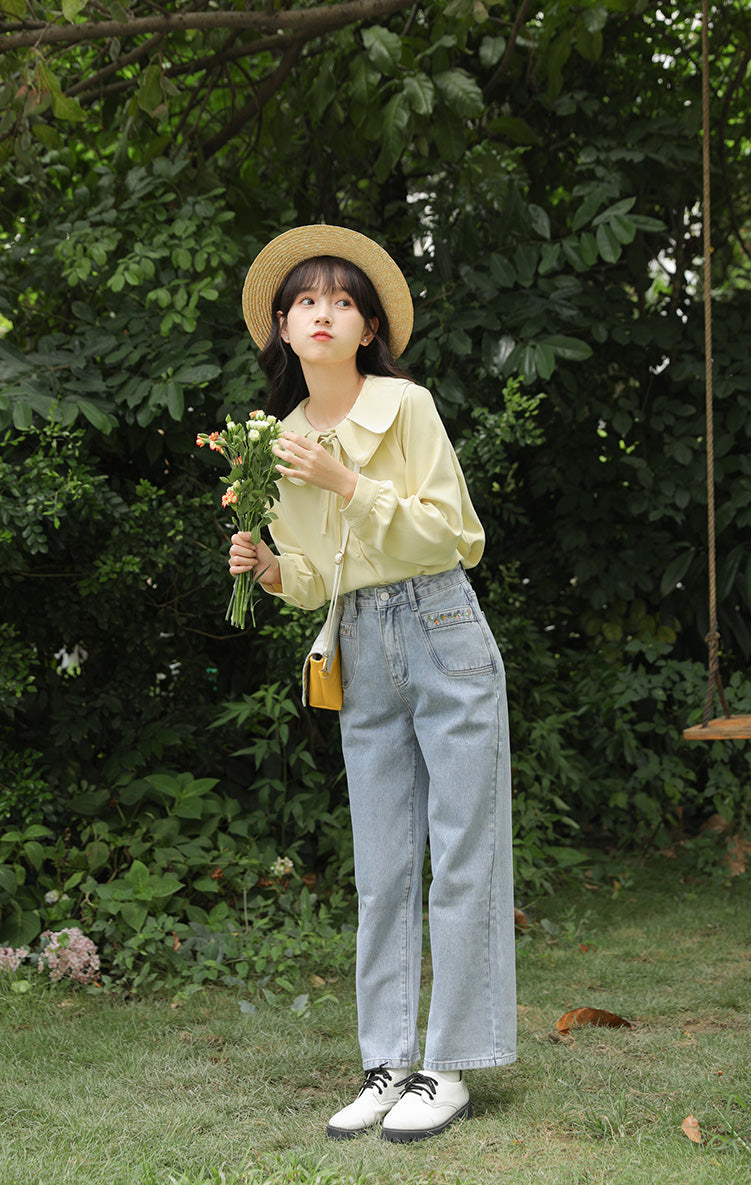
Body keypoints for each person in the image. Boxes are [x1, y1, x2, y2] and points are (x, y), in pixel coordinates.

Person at [228, 225, 517, 1143]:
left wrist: (347, 481)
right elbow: (323, 576)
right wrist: (273, 571)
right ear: (281, 328)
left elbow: (455, 533)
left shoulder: (408, 406)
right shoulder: (273, 442)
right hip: (358, 639)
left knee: (463, 851)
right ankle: (388, 1063)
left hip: (442, 625)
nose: (323, 312)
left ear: (366, 329)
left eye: (342, 300)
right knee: (383, 866)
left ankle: (451, 1065)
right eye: (306, 301)